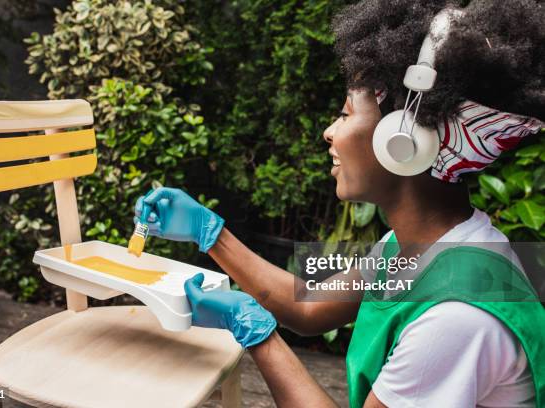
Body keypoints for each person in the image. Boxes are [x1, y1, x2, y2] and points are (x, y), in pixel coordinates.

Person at [133, 1, 545, 407]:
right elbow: (310, 307)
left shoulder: (456, 317)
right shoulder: (418, 249)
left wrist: (257, 334)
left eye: (346, 114)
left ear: (403, 143)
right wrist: (210, 232)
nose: (330, 132)